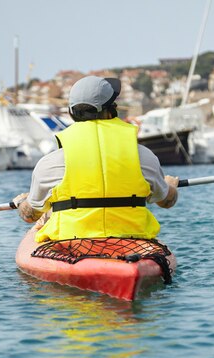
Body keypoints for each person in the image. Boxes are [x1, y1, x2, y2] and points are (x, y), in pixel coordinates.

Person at [13, 75, 179, 242]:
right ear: (112, 111)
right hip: (132, 241)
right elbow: (166, 201)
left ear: (72, 113)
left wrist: (22, 202)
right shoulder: (143, 156)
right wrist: (170, 185)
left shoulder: (50, 163)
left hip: (70, 244)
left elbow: (30, 215)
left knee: (47, 214)